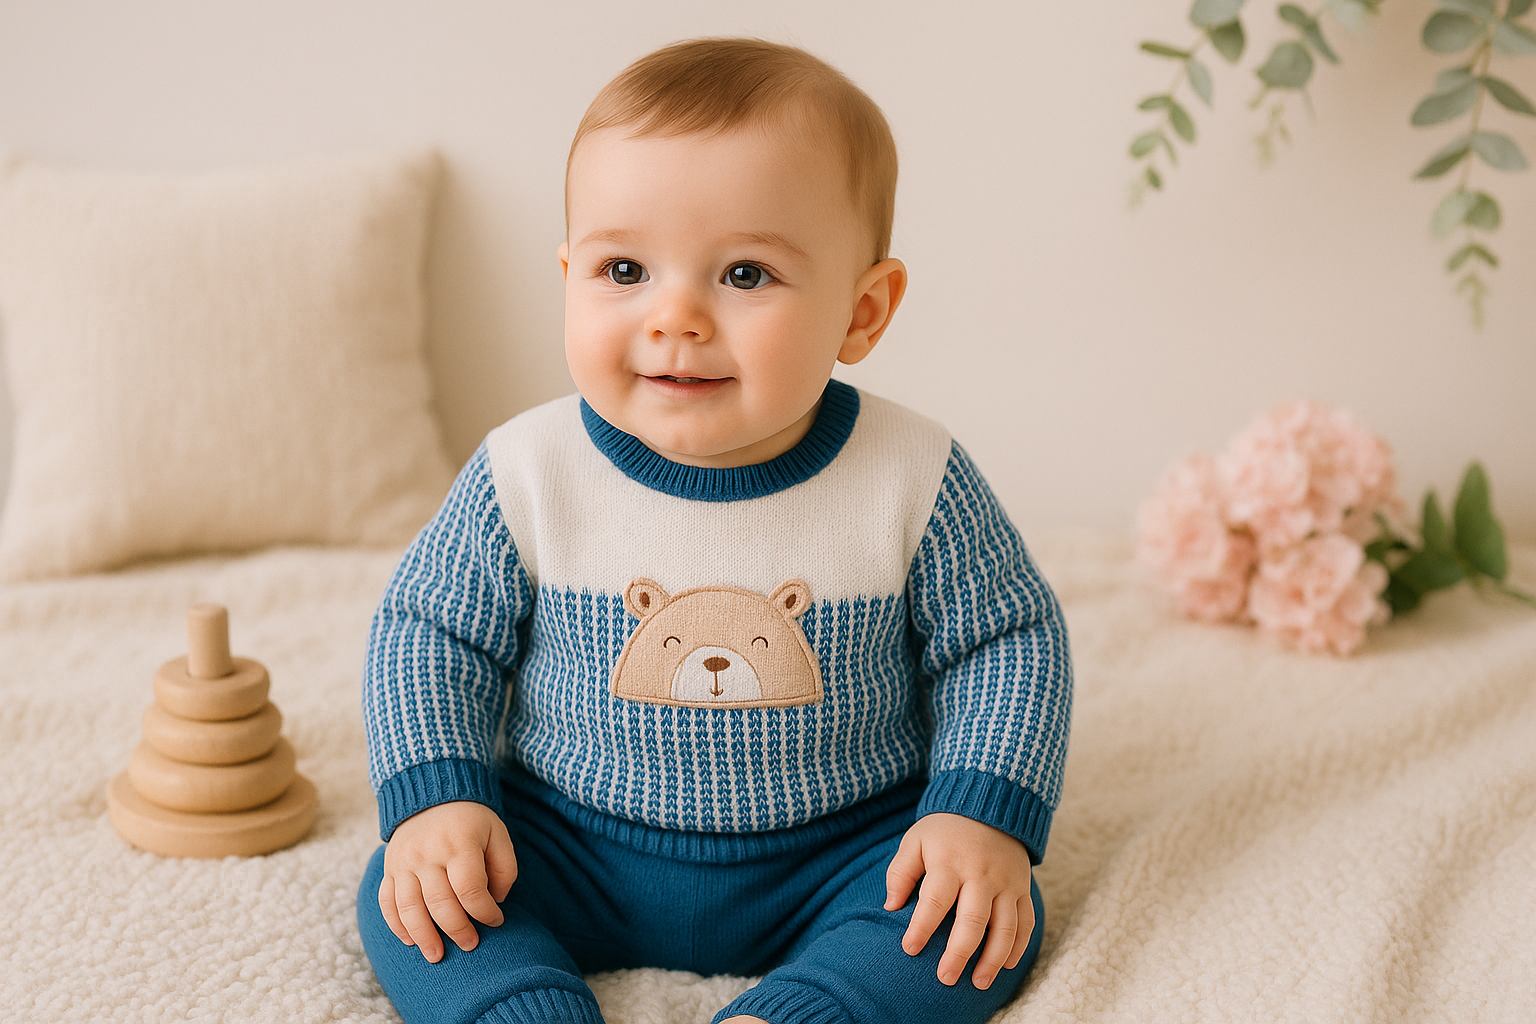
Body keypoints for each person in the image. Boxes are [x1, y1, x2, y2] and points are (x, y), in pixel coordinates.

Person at [356, 36, 1072, 1024]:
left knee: (984, 916)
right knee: (416, 895)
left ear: (862, 311)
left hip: (841, 847)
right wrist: (440, 796)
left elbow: (1008, 640)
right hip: (570, 841)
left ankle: (807, 1009)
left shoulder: (913, 475)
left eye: (744, 274)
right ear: (566, 276)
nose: (676, 315)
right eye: (622, 268)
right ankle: (521, 1008)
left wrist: (974, 812)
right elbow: (429, 631)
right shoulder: (527, 471)